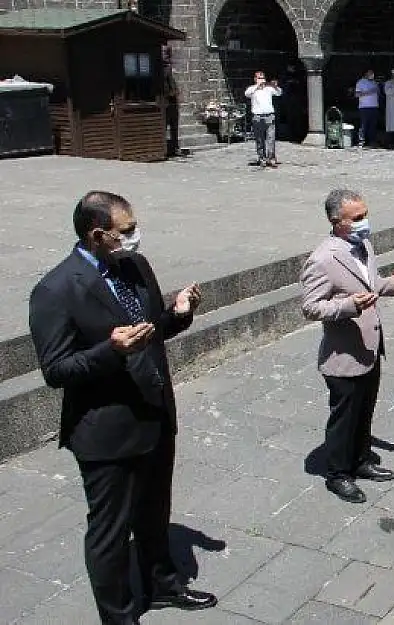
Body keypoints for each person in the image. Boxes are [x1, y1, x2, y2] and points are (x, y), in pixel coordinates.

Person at [28, 191, 217, 625]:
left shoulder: (133, 265)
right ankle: (118, 615)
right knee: (110, 532)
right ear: (97, 235)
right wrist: (109, 351)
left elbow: (149, 330)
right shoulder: (56, 290)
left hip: (154, 414)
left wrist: (178, 314)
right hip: (107, 431)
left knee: (154, 513)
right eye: (126, 230)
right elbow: (56, 370)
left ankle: (163, 585)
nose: (135, 236)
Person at [300, 190, 394, 503]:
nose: (366, 222)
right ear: (337, 222)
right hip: (343, 354)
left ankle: (360, 460)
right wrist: (348, 306)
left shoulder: (363, 245)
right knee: (344, 417)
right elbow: (310, 307)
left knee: (365, 410)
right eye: (358, 218)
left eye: (366, 214)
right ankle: (337, 474)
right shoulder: (322, 259)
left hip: (370, 347)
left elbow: (370, 283)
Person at [245, 70, 281, 168]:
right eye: (259, 78)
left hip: (269, 116)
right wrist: (257, 86)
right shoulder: (252, 89)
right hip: (257, 116)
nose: (261, 79)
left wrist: (275, 86)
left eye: (262, 77)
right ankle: (262, 158)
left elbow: (279, 93)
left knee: (271, 138)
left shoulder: (269, 89)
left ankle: (271, 158)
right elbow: (247, 94)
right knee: (260, 139)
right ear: (255, 79)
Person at [354, 69, 381, 148]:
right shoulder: (360, 82)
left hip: (374, 106)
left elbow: (378, 93)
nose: (372, 75)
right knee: (363, 125)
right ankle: (361, 141)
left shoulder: (374, 82)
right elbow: (357, 94)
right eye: (370, 74)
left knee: (373, 125)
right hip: (364, 107)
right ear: (366, 74)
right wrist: (369, 92)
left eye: (373, 74)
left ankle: (372, 141)